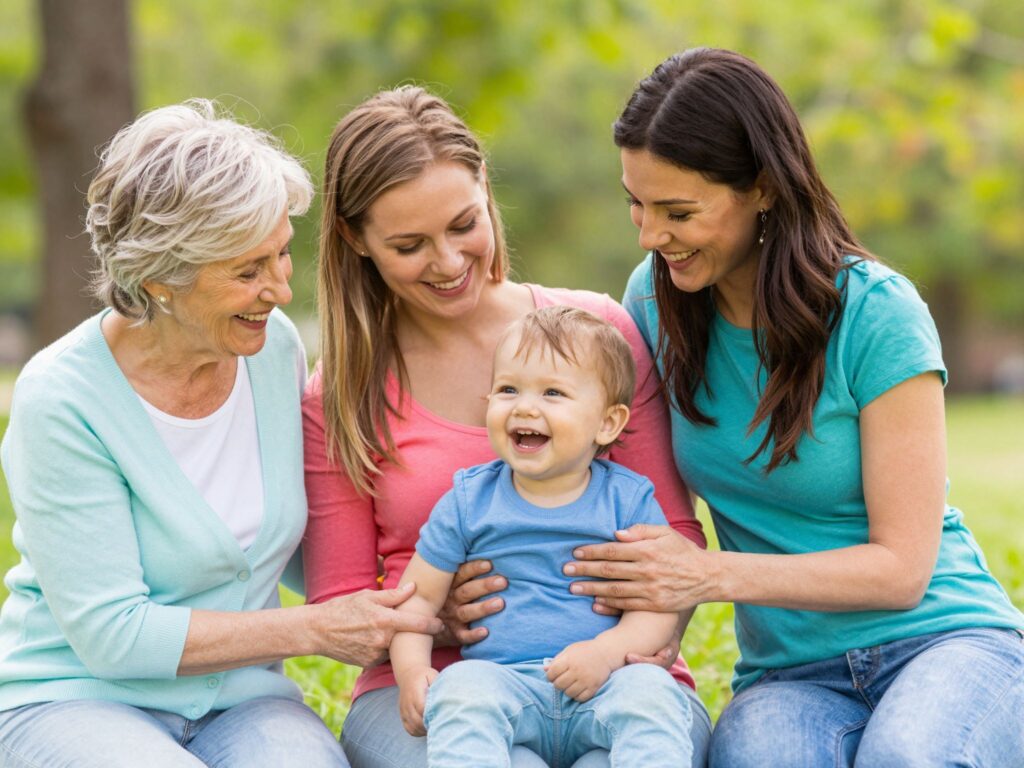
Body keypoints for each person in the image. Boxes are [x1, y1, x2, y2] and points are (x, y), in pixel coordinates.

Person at [562, 47, 1024, 767]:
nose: (652, 236)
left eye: (678, 211)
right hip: (791, 674)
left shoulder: (877, 314)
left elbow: (902, 570)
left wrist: (713, 573)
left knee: (905, 758)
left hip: (946, 640)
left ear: (765, 189)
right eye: (637, 205)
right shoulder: (653, 303)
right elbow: (624, 497)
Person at [0, 100, 441, 768]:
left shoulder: (270, 351)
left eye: (281, 255)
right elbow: (113, 635)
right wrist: (314, 630)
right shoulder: (61, 399)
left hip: (243, 699)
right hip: (74, 696)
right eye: (247, 270)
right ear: (159, 279)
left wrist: (427, 587)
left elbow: (297, 539)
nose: (280, 290)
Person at [303, 85, 712, 768]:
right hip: (438, 689)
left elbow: (675, 538)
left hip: (615, 677)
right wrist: (435, 615)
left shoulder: (598, 336)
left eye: (463, 224)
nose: (448, 260)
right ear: (355, 238)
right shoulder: (342, 394)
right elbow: (342, 605)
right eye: (409, 244)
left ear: (485, 185)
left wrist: (620, 644)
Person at [391, 306, 693, 767]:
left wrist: (605, 653)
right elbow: (416, 601)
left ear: (607, 423)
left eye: (553, 392)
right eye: (508, 389)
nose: (525, 406)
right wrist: (413, 671)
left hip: (605, 682)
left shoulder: (627, 501)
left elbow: (659, 607)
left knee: (652, 692)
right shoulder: (469, 499)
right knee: (460, 689)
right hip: (504, 684)